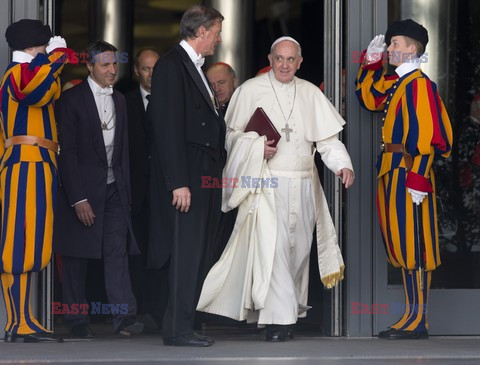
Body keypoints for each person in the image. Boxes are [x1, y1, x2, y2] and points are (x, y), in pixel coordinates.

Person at [196, 36, 354, 342]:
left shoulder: (309, 93)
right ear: (270, 59)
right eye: (279, 59)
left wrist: (342, 165)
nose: (284, 65)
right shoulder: (250, 91)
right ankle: (280, 323)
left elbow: (328, 141)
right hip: (266, 184)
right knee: (275, 248)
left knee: (297, 251)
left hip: (304, 184)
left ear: (300, 62)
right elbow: (228, 137)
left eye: (290, 60)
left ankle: (279, 315)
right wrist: (257, 147)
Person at [355, 19, 453, 339]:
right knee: (402, 245)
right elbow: (369, 97)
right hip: (393, 170)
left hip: (409, 172)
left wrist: (418, 178)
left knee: (416, 246)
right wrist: (369, 64)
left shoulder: (419, 84)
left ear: (412, 49)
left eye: (395, 44)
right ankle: (411, 315)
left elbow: (426, 135)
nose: (389, 49)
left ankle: (418, 320)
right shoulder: (399, 82)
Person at [54, 40, 143, 338]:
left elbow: (124, 152)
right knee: (77, 255)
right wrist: (78, 198)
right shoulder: (71, 100)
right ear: (89, 66)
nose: (111, 70)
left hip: (114, 188)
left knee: (117, 251)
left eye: (114, 64)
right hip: (80, 190)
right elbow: (67, 153)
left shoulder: (119, 99)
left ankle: (123, 317)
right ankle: (76, 320)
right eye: (104, 64)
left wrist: (126, 194)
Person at [148, 5, 226, 347]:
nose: (219, 39)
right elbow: (166, 128)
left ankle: (186, 324)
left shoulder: (193, 67)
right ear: (201, 32)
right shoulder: (170, 65)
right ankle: (177, 330)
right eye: (217, 32)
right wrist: (178, 181)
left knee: (199, 253)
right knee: (186, 253)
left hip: (204, 172)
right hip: (188, 175)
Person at [0, 19, 74, 343]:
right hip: (23, 163)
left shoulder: (31, 73)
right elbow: (35, 92)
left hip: (38, 163)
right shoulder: (18, 75)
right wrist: (57, 57)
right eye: (43, 45)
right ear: (33, 47)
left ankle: (25, 318)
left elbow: (47, 88)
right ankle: (17, 322)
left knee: (35, 243)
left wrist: (52, 61)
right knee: (18, 243)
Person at [124, 48, 167, 332]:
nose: (151, 74)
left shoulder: (172, 100)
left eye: (155, 68)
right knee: (135, 253)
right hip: (134, 192)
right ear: (136, 71)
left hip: (165, 191)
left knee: (163, 252)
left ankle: (161, 310)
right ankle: (136, 311)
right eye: (146, 69)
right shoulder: (123, 102)